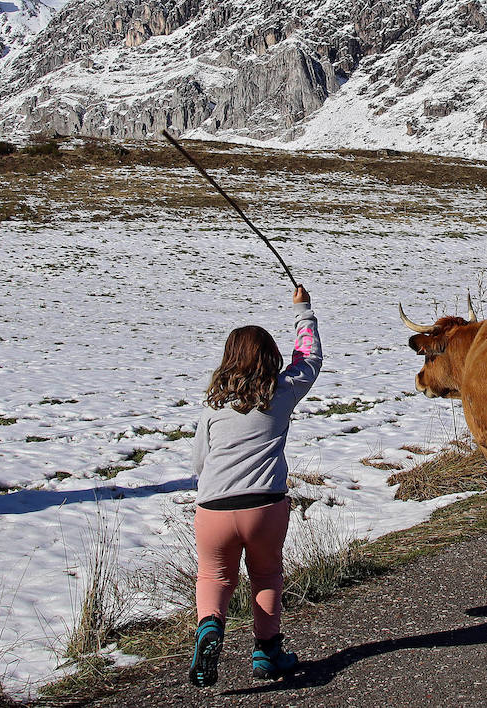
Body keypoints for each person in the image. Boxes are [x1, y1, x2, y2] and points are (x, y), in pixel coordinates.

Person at [189, 285, 322, 687]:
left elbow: (199, 461)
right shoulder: (282, 393)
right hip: (265, 506)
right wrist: (303, 309)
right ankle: (267, 652)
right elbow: (310, 358)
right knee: (265, 576)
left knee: (214, 577)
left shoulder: (212, 408)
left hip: (213, 508)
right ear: (272, 359)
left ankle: (210, 627)